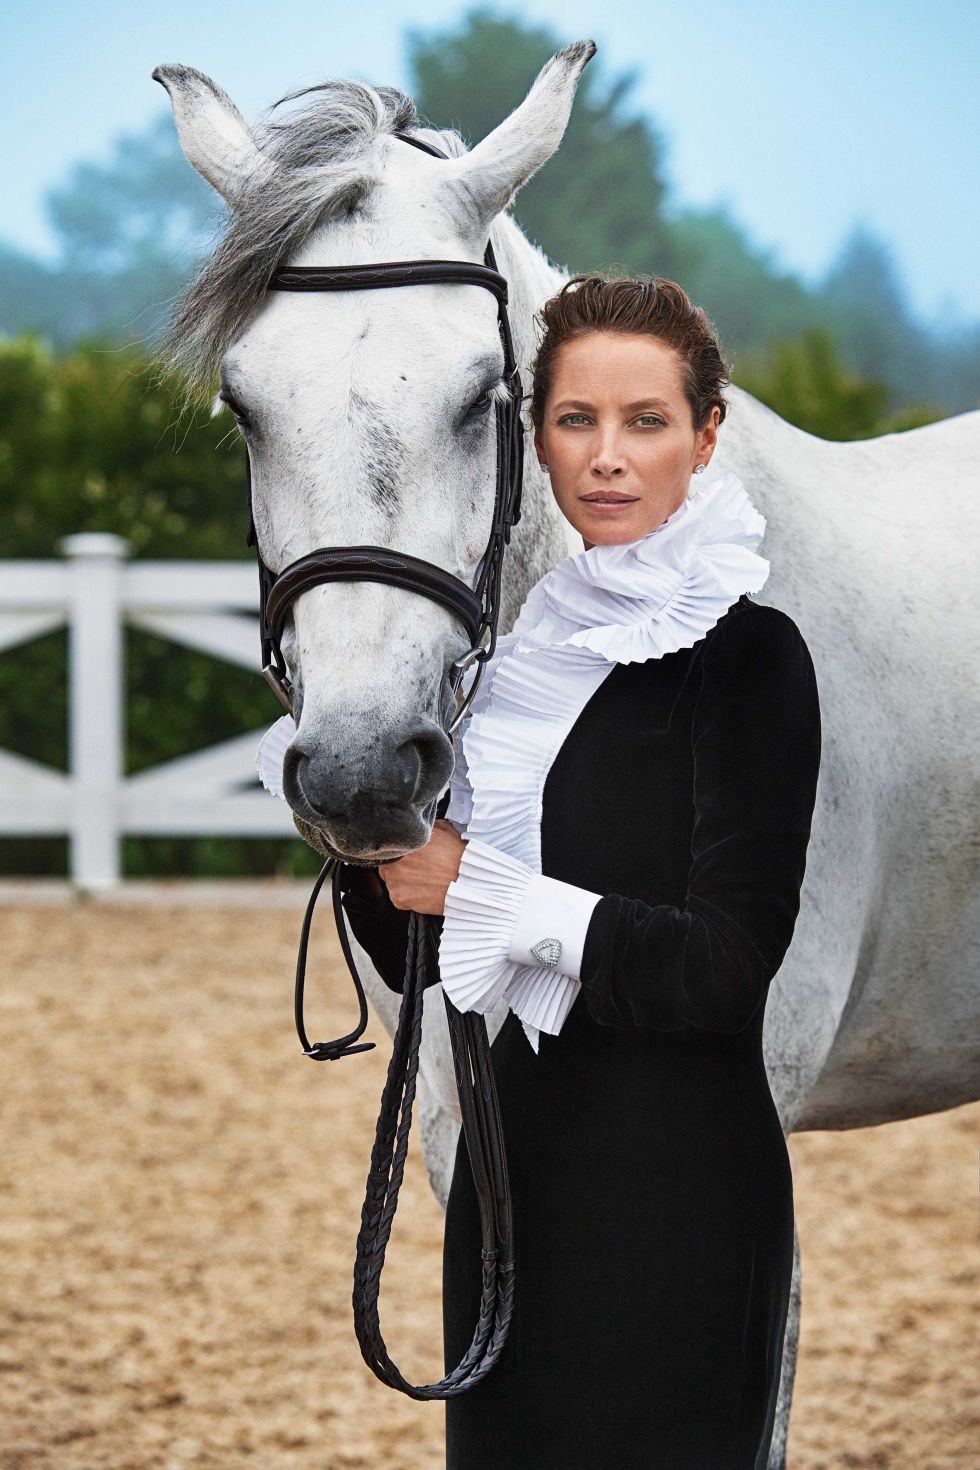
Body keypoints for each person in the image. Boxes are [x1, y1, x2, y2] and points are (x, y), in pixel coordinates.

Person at [337, 274, 822, 1469]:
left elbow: (721, 968)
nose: (605, 456)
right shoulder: (512, 665)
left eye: (644, 421)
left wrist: (481, 888)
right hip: (509, 1193)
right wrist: (367, 838)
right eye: (574, 420)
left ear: (703, 438)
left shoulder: (749, 660)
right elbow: (428, 952)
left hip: (680, 1197)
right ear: (537, 440)